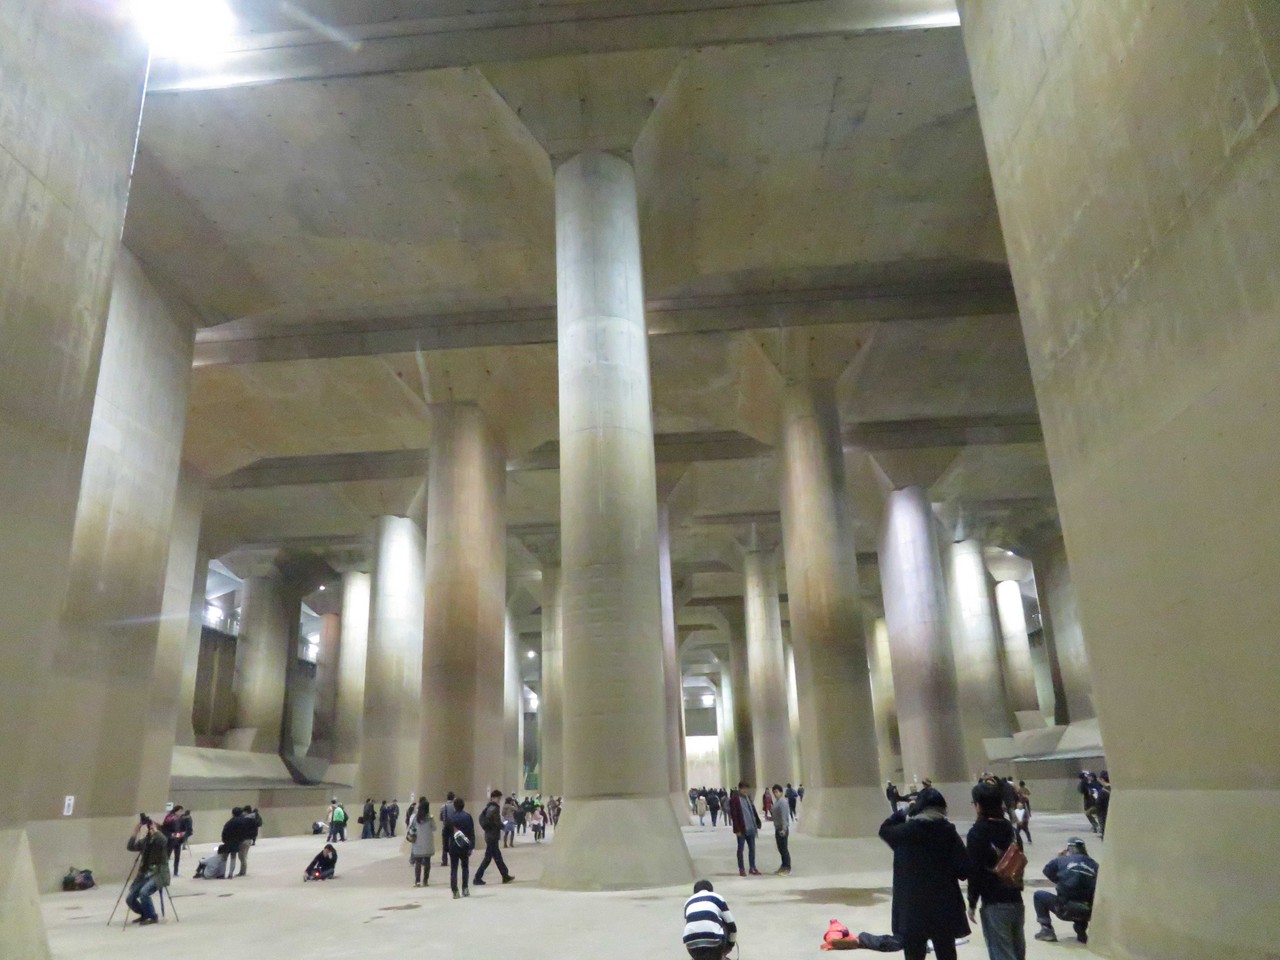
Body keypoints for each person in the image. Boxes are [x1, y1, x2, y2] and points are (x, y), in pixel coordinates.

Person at [878, 787, 970, 960]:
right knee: (946, 953)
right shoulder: (948, 832)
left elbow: (884, 829)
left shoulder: (904, 832)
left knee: (914, 954)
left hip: (912, 909)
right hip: (944, 907)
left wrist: (904, 811)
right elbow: (964, 870)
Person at [966, 780, 1025, 960]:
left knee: (1002, 955)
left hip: (994, 902)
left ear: (979, 806)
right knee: (1017, 953)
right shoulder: (1012, 831)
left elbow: (975, 872)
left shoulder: (977, 833)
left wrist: (972, 902)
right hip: (1016, 900)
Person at [1034, 838, 1098, 945]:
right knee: (1084, 897)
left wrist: (1060, 879)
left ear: (1068, 849)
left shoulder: (1061, 860)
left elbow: (1047, 871)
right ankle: (1081, 931)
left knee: (1039, 895)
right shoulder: (1095, 865)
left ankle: (1047, 930)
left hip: (1064, 908)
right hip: (1087, 912)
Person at [125, 815, 170, 925]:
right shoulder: (145, 842)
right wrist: (136, 831)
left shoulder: (160, 842)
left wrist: (155, 830)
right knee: (130, 898)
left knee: (144, 892)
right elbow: (130, 847)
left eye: (152, 829)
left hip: (158, 873)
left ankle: (152, 916)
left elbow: (163, 840)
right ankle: (145, 914)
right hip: (145, 874)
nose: (150, 830)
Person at [682, 879, 737, 960]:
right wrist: (730, 945)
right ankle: (721, 957)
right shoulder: (716, 898)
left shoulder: (687, 902)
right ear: (711, 890)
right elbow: (732, 926)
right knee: (723, 922)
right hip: (714, 942)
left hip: (691, 943)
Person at [474, 788, 514, 885]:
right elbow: (497, 822)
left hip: (489, 835)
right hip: (493, 836)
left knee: (497, 857)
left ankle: (505, 875)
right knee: (489, 858)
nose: (499, 800)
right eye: (498, 798)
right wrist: (503, 827)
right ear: (494, 798)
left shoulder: (488, 807)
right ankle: (477, 877)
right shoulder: (494, 808)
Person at [728, 780, 762, 876]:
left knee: (752, 849)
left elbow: (753, 811)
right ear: (739, 789)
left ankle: (752, 867)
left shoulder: (748, 798)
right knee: (740, 849)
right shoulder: (734, 800)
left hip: (751, 827)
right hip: (742, 829)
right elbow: (734, 815)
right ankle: (741, 868)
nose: (745, 791)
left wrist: (757, 822)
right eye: (743, 789)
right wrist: (737, 829)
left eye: (746, 789)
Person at [447, 797, 476, 899]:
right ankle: (465, 888)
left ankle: (455, 891)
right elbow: (471, 832)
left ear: (454, 806)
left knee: (454, 869)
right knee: (465, 867)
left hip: (453, 846)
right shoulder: (468, 817)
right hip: (464, 846)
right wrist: (471, 846)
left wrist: (446, 847)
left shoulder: (450, 818)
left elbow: (445, 833)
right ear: (463, 805)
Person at [407, 801, 436, 886]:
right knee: (427, 862)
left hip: (418, 843)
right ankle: (425, 880)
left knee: (418, 862)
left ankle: (417, 881)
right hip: (428, 843)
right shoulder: (430, 818)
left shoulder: (415, 818)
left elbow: (411, 829)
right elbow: (434, 828)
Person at [160, 805, 192, 877]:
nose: (181, 813)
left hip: (178, 840)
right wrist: (171, 835)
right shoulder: (169, 818)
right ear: (176, 811)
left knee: (177, 857)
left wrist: (183, 833)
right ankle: (164, 871)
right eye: (179, 811)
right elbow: (164, 829)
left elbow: (184, 828)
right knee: (167, 857)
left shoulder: (181, 819)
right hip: (170, 840)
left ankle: (176, 871)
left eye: (181, 811)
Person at [220, 807, 252, 878]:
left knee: (224, 858)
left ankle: (222, 873)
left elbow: (224, 832)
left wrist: (224, 840)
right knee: (234, 857)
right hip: (240, 841)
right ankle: (231, 874)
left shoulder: (229, 822)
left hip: (229, 841)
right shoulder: (245, 821)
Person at [770, 783, 793, 875]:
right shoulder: (777, 802)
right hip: (777, 828)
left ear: (781, 792)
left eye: (777, 792)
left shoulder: (782, 802)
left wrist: (784, 829)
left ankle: (787, 867)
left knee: (784, 849)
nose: (775, 794)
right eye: (774, 792)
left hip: (782, 829)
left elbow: (784, 816)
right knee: (780, 848)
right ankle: (783, 865)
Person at [236, 805, 262, 876]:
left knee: (242, 856)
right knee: (243, 856)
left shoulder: (246, 819)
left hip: (245, 838)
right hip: (249, 838)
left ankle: (242, 872)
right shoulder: (253, 818)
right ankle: (243, 871)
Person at [439, 792, 456, 866]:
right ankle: (454, 859)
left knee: (445, 844)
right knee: (453, 844)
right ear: (453, 798)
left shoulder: (443, 807)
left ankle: (444, 860)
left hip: (445, 827)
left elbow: (441, 818)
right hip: (453, 827)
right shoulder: (455, 806)